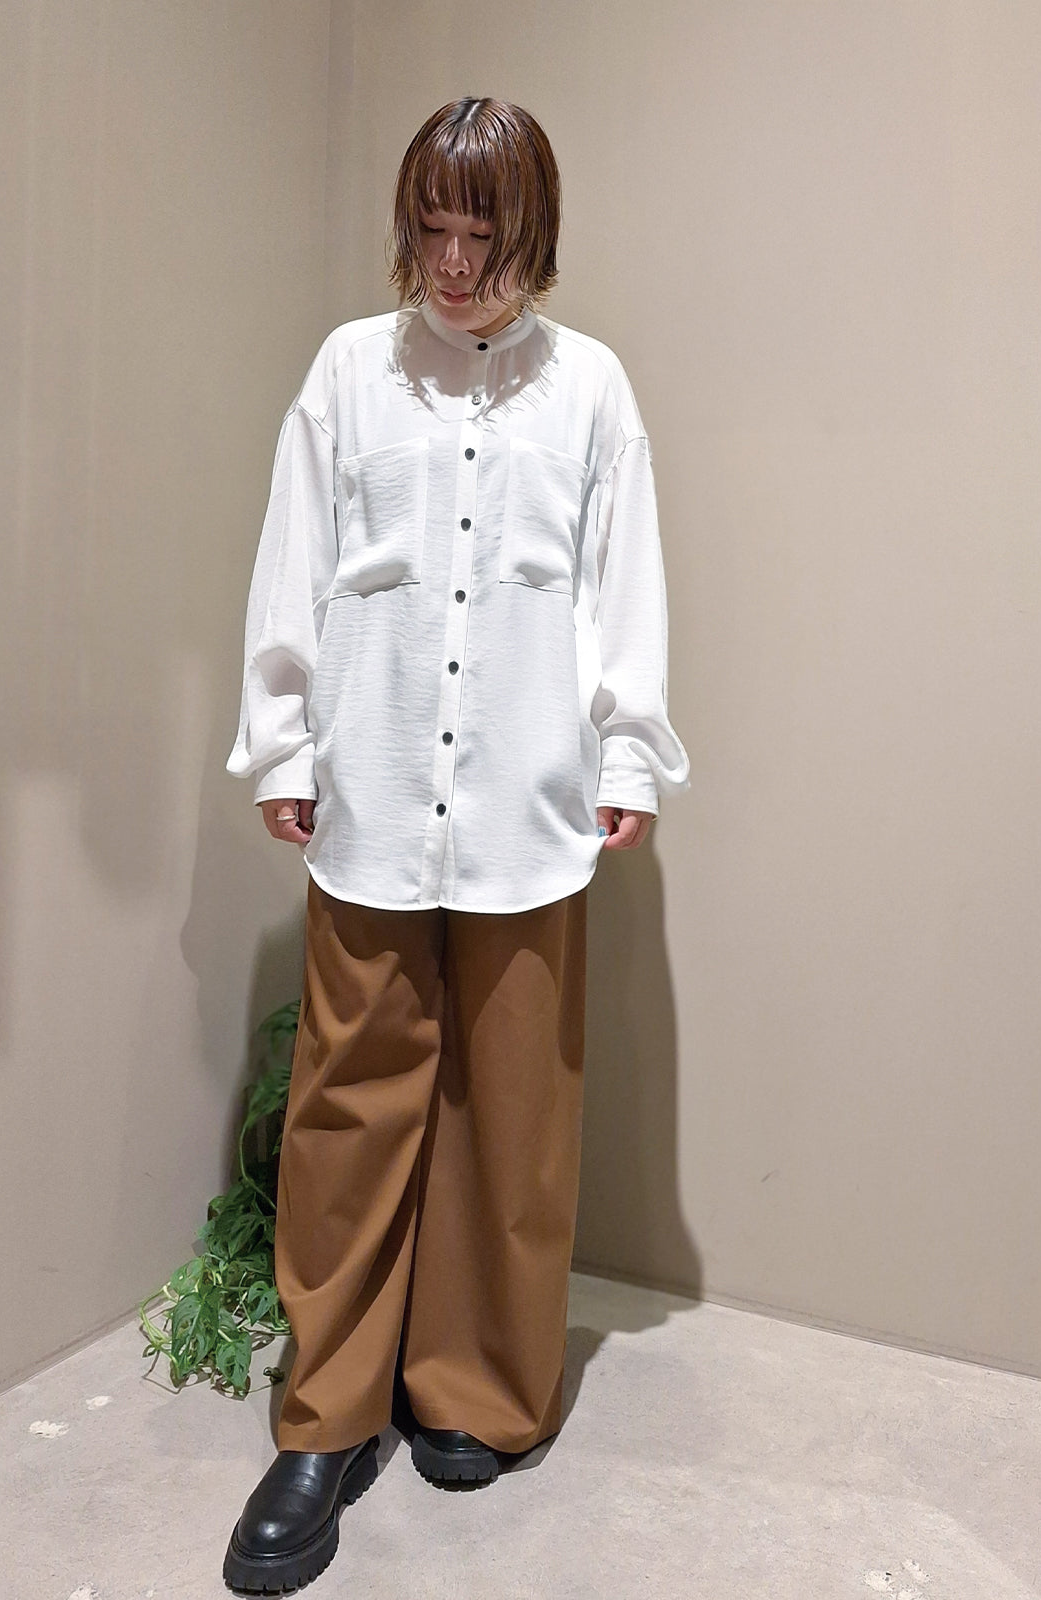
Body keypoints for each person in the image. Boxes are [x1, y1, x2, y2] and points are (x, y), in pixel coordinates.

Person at [221, 96, 689, 1594]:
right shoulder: (349, 373)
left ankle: (475, 1385)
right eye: (431, 226)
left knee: (512, 1115)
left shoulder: (591, 388)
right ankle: (328, 1418)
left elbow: (622, 583)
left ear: (532, 232)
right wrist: (283, 741)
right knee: (348, 1112)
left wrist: (629, 749)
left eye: (483, 231)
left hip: (527, 808)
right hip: (369, 795)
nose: (453, 261)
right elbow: (293, 558)